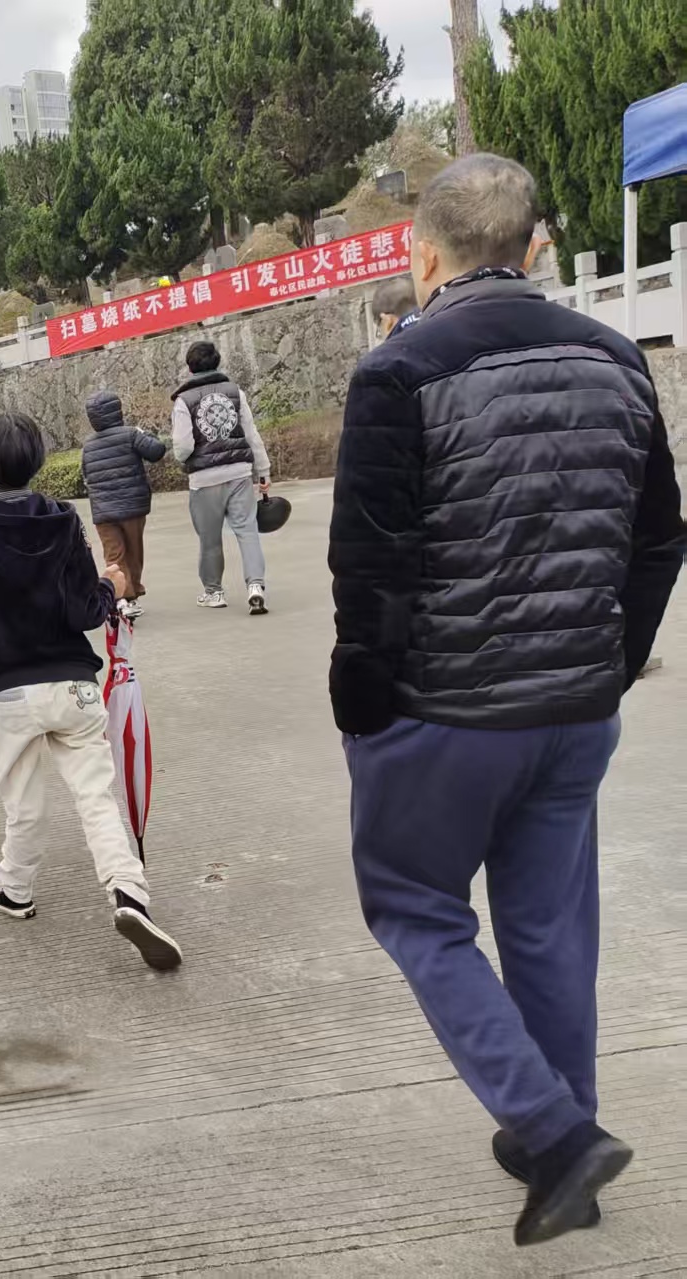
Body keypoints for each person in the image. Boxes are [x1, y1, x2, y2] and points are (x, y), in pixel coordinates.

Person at [330, 154, 683, 1246]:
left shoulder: (397, 373)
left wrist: (365, 706)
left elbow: (369, 573)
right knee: (548, 927)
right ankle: (560, 1135)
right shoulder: (617, 359)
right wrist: (607, 667)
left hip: (444, 711)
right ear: (532, 250)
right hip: (574, 711)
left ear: (422, 257)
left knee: (415, 908)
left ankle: (555, 1133)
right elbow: (659, 541)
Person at [0, 411, 183, 971]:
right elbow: (84, 610)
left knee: (23, 803)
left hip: (8, 696)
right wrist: (111, 584)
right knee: (95, 797)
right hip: (74, 686)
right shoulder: (64, 522)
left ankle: (15, 890)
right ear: (37, 465)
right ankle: (129, 894)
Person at [171, 342, 272, 614]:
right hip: (240, 473)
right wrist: (263, 471)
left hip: (204, 480)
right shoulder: (235, 392)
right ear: (217, 362)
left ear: (190, 368)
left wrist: (184, 458)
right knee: (248, 531)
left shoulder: (184, 401)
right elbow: (251, 434)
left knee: (210, 539)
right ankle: (255, 586)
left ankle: (214, 592)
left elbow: (183, 448)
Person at [80, 389, 168, 619]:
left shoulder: (88, 446)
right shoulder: (131, 434)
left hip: (103, 512)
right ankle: (129, 596)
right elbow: (156, 451)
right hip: (132, 507)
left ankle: (121, 598)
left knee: (114, 555)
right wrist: (144, 433)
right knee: (134, 553)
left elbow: (85, 476)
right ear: (118, 411)